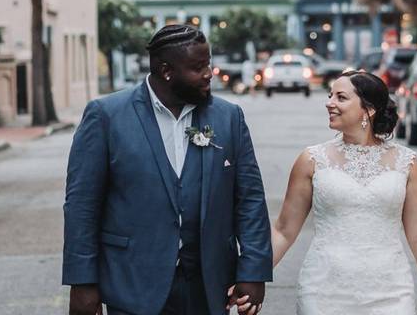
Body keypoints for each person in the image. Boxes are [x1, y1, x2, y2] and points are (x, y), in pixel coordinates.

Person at [63, 24, 273, 315]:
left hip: (208, 285)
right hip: (132, 284)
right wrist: (82, 282)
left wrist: (253, 270)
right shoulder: (107, 116)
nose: (208, 73)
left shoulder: (228, 118)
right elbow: (82, 205)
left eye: (208, 64)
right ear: (166, 70)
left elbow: (249, 200)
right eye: (198, 67)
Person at [270, 70, 417, 315]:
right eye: (330, 95)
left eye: (341, 97)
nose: (329, 103)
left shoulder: (406, 162)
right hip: (324, 290)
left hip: (391, 291)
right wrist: (248, 277)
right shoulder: (312, 159)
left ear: (368, 110)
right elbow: (284, 230)